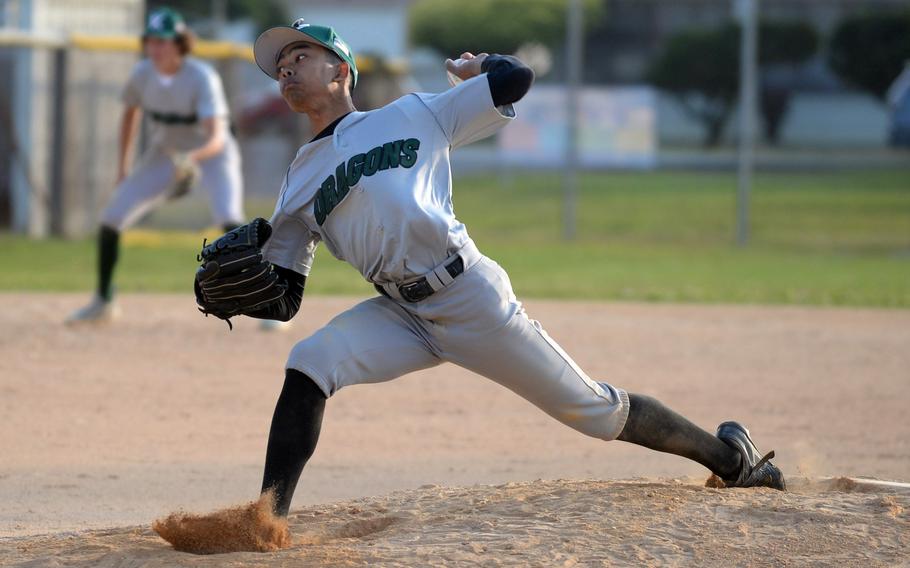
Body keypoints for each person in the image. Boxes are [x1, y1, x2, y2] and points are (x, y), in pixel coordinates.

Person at [206, 18, 785, 521]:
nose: (285, 70)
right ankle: (268, 517)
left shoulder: (415, 114)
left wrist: (477, 66)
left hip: (469, 296)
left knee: (596, 411)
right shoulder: (299, 180)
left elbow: (516, 80)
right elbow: (285, 299)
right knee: (310, 362)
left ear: (341, 71)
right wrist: (234, 288)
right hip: (402, 313)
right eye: (279, 65)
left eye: (299, 56)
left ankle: (732, 460)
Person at [67, 7, 244, 324]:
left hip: (212, 151)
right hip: (167, 149)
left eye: (164, 41)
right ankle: (103, 301)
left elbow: (216, 137)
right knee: (112, 217)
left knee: (229, 219)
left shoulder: (201, 77)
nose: (156, 48)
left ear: (180, 44)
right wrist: (123, 167)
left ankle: (269, 304)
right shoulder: (142, 74)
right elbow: (129, 115)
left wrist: (192, 159)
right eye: (151, 41)